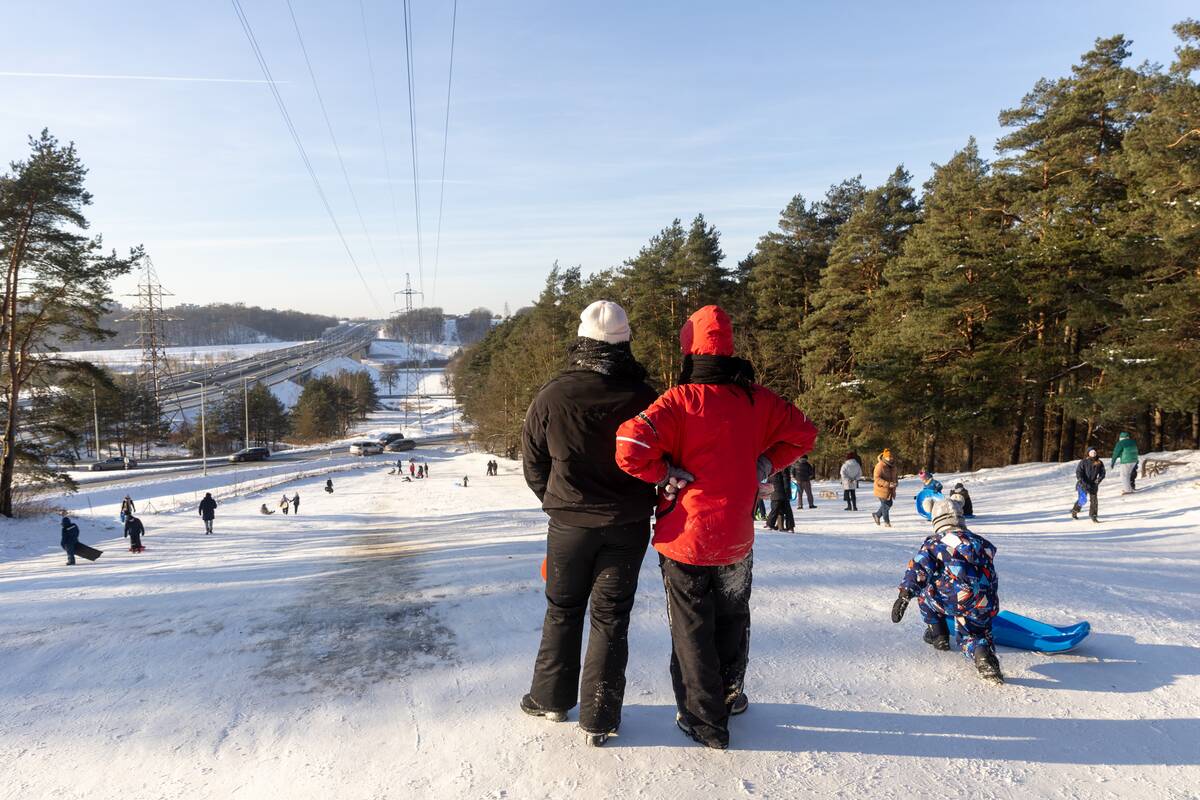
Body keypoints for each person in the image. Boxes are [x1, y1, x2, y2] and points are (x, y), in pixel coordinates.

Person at [615, 305, 818, 750]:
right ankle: (730, 695)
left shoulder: (678, 401)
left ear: (689, 349)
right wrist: (766, 461)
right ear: (729, 348)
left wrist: (663, 472)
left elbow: (628, 446)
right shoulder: (757, 398)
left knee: (691, 629)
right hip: (736, 539)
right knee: (732, 617)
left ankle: (705, 721)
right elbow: (805, 432)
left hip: (685, 538)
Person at [519, 300, 660, 747]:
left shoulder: (553, 395)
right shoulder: (646, 397)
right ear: (625, 342)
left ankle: (549, 699)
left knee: (562, 609)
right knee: (611, 618)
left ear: (583, 339)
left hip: (569, 526)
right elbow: (664, 457)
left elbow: (533, 462)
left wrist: (557, 502)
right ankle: (600, 716)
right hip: (628, 523)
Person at [891, 497, 1002, 684]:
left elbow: (919, 569)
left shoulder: (935, 543)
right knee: (974, 634)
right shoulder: (980, 543)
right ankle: (982, 653)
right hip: (985, 601)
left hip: (953, 599)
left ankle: (938, 634)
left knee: (925, 595)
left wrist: (905, 594)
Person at [1072, 447, 1106, 522]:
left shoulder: (1099, 462)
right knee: (1083, 500)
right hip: (1083, 483)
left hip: (1093, 484)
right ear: (1088, 453)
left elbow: (1103, 473)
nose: (1093, 453)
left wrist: (1098, 479)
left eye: (1094, 452)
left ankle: (1093, 515)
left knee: (1094, 500)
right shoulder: (1083, 462)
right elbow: (1079, 472)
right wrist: (1081, 480)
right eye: (1091, 452)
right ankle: (1075, 511)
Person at [872, 449, 898, 527]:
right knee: (885, 505)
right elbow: (877, 478)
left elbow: (895, 477)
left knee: (889, 504)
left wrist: (895, 482)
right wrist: (887, 484)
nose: (890, 458)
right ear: (884, 457)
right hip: (881, 489)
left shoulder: (893, 466)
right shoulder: (880, 465)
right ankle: (887, 522)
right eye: (888, 457)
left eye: (891, 457)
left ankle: (877, 515)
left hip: (889, 489)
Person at [766, 465, 794, 531]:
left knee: (778, 509)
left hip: (776, 491)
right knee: (784, 509)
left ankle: (775, 525)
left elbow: (769, 480)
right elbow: (786, 480)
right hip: (780, 491)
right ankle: (786, 526)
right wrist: (787, 492)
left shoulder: (772, 467)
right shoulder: (783, 466)